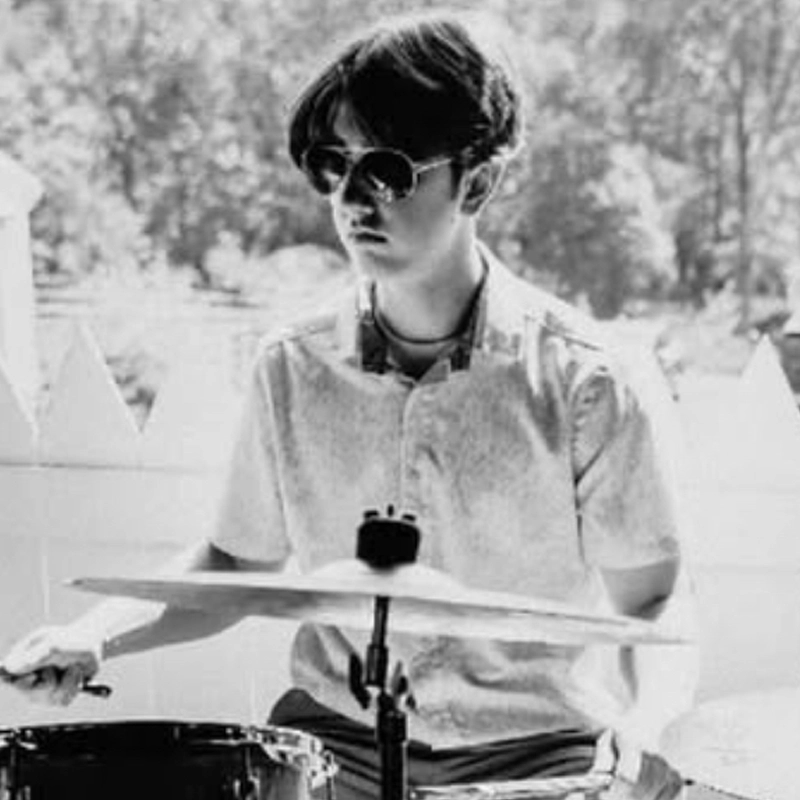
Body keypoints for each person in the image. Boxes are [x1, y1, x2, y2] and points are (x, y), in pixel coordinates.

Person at [2, 11, 697, 800]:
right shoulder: (292, 366)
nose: (353, 198)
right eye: (335, 164)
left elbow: (653, 596)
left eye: (390, 169)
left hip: (533, 759)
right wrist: (92, 638)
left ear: (479, 179)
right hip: (332, 749)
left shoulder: (587, 381)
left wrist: (647, 731)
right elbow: (236, 562)